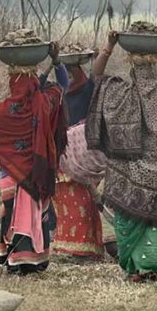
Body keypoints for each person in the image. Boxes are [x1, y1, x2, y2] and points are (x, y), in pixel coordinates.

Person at [87, 29, 157, 282]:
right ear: (156, 65)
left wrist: (109, 45)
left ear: (130, 63)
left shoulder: (119, 92)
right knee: (152, 222)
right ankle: (152, 267)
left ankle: (133, 270)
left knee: (126, 219)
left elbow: (96, 75)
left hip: (128, 170)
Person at [0, 44, 67, 275]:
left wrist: (9, 160)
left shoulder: (4, 109)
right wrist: (57, 61)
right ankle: (35, 261)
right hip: (36, 173)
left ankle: (12, 259)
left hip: (10, 174)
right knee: (34, 215)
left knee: (11, 215)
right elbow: (63, 86)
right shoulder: (45, 101)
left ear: (12, 82)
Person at [52, 60, 105, 261]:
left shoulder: (88, 90)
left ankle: (87, 249)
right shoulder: (60, 93)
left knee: (86, 203)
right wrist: (57, 63)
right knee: (69, 201)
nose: (72, 76)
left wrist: (105, 52)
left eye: (75, 70)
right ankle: (70, 248)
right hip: (64, 153)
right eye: (68, 72)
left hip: (83, 153)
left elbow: (95, 77)